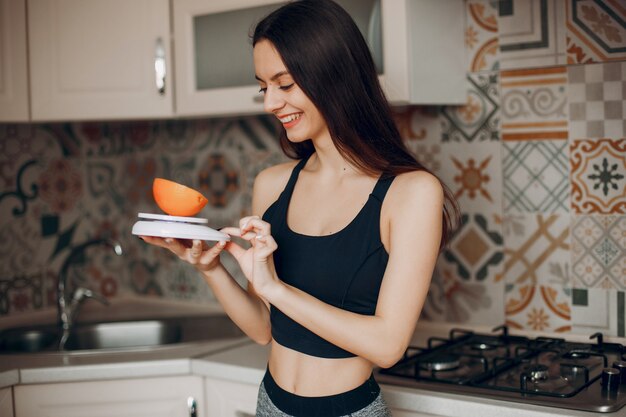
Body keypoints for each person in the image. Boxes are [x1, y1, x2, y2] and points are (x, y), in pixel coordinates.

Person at [141, 0, 459, 415]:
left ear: (335, 76)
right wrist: (210, 268)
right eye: (263, 86)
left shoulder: (411, 192)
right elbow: (263, 327)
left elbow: (387, 346)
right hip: (269, 403)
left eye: (285, 84)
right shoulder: (273, 184)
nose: (271, 102)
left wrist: (275, 288)